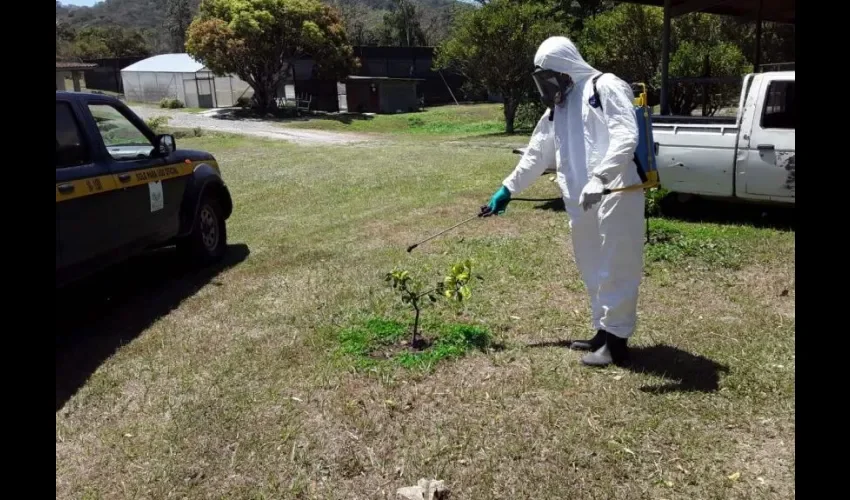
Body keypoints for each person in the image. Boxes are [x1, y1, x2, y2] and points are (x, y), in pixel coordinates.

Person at [481, 36, 644, 367]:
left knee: (616, 264)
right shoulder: (558, 108)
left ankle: (617, 342)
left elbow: (626, 135)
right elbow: (536, 154)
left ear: (566, 67)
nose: (548, 86)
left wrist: (601, 177)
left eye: (551, 76)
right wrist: (508, 189)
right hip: (581, 200)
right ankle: (602, 331)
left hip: (615, 191)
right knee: (592, 266)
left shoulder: (606, 86)